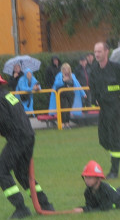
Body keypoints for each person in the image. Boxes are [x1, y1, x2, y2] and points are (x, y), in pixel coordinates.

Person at [0, 67, 54, 219]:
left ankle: (21, 208)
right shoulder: (7, 95)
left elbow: (6, 124)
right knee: (22, 174)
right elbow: (16, 117)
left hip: (17, 138)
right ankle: (46, 204)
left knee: (1, 172)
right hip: (28, 136)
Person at [86, 40, 120, 178]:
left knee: (115, 138)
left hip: (116, 108)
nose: (97, 54)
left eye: (99, 51)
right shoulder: (94, 70)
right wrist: (93, 99)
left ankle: (114, 170)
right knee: (104, 138)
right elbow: (92, 87)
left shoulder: (116, 68)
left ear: (107, 52)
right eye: (95, 51)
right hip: (104, 109)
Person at [49, 63, 84, 128]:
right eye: (64, 69)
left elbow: (77, 84)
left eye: (67, 68)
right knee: (63, 108)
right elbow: (56, 84)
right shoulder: (59, 75)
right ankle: (62, 123)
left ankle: (67, 123)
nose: (66, 70)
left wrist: (83, 93)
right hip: (62, 95)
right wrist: (63, 80)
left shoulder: (72, 75)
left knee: (68, 109)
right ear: (62, 69)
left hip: (71, 94)